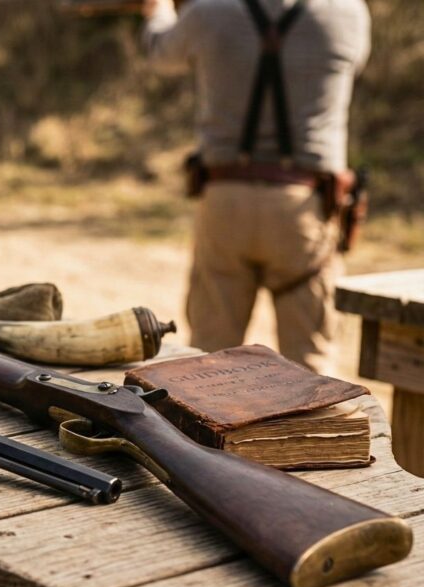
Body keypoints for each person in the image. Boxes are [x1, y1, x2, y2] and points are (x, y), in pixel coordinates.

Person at [142, 0, 371, 375]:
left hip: (223, 200)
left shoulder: (207, 12)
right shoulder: (348, 12)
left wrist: (158, 10)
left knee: (208, 366)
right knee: (312, 370)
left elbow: (160, 51)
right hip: (305, 207)